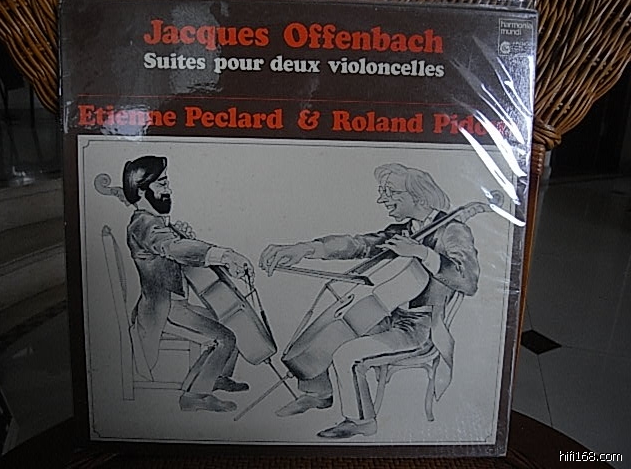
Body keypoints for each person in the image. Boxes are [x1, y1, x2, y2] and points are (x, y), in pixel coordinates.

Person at [259, 163, 480, 438]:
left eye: (391, 192)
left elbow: (468, 281)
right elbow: (359, 244)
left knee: (347, 355)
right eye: (383, 191)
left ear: (420, 198)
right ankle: (318, 393)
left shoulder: (452, 231)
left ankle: (361, 421)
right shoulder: (404, 230)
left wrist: (423, 253)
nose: (382, 199)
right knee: (328, 332)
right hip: (387, 313)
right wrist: (305, 248)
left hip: (420, 327)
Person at [123, 155, 252, 413]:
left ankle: (216, 377)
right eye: (162, 183)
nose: (168, 190)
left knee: (232, 321)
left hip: (175, 305)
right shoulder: (143, 224)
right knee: (225, 338)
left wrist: (180, 234)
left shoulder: (154, 222)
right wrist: (224, 255)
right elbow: (172, 248)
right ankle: (195, 396)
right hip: (164, 309)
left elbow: (173, 246)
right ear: (141, 190)